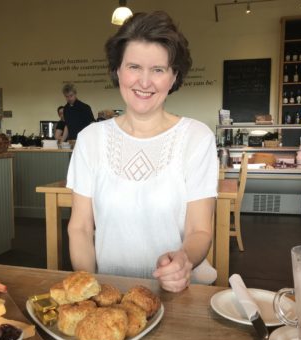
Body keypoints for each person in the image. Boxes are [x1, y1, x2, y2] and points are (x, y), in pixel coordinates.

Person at [66, 11, 218, 293]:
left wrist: (184, 260)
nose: (144, 82)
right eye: (134, 66)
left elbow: (200, 230)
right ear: (118, 71)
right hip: (110, 294)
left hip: (180, 295)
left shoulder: (197, 138)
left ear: (174, 77)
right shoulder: (90, 139)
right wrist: (90, 291)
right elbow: (81, 228)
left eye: (158, 70)